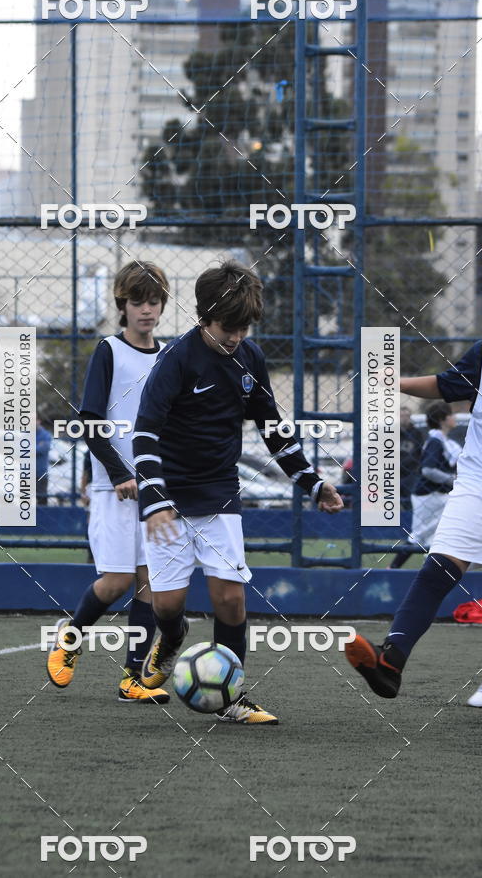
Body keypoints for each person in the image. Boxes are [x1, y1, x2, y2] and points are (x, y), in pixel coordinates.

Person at [132, 261, 344, 724]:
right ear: (204, 317)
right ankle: (172, 636)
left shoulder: (250, 358)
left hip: (219, 494)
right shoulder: (176, 360)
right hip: (168, 499)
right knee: (167, 605)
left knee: (230, 598)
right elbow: (144, 433)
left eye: (244, 327)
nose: (236, 336)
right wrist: (154, 499)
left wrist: (311, 482)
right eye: (228, 327)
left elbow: (273, 428)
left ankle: (232, 698)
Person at [345, 275, 482, 703]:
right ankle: (390, 661)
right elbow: (446, 385)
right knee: (437, 570)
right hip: (479, 483)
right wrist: (391, 382)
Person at [47, 261, 172, 703]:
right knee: (117, 581)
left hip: (155, 488)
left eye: (154, 301)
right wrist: (119, 473)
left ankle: (132, 678)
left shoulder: (169, 356)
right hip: (113, 487)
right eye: (138, 302)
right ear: (123, 305)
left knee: (150, 583)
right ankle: (69, 639)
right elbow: (90, 421)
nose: (146, 310)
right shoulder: (109, 351)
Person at [389, 402, 461, 569]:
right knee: (419, 536)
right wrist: (453, 479)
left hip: (437, 495)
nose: (454, 417)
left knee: (435, 537)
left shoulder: (442, 440)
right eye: (450, 415)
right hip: (429, 495)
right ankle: (392, 568)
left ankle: (430, 568)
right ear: (442, 419)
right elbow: (428, 470)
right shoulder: (436, 441)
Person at [398, 406, 424, 511]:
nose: (404, 418)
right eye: (401, 416)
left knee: (410, 502)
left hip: (411, 474)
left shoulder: (416, 433)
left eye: (407, 416)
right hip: (392, 473)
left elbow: (420, 453)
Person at [36, 415, 52, 505]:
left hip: (41, 474)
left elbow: (43, 449)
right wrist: (38, 446)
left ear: (39, 420)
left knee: (42, 502)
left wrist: (28, 448)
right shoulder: (25, 434)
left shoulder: (46, 435)